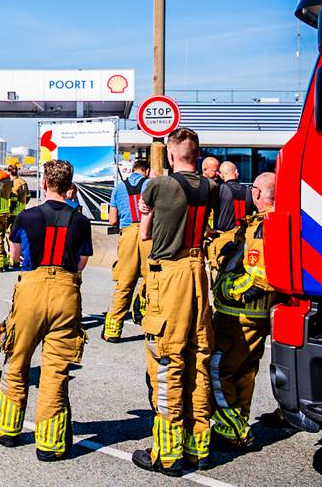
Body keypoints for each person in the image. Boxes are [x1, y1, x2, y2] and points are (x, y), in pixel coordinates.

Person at [0, 159, 92, 462]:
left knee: (17, 360)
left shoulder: (27, 216)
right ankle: (50, 444)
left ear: (44, 183)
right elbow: (82, 261)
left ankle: (7, 429)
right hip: (66, 292)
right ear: (70, 187)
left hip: (31, 289)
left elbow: (16, 253)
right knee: (56, 371)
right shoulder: (81, 221)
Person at [133, 127, 220, 475]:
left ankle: (167, 454)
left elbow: (144, 232)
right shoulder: (210, 187)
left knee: (168, 360)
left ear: (171, 155)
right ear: (197, 155)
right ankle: (198, 446)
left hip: (169, 276)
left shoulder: (158, 185)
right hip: (199, 271)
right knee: (199, 356)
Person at [206, 172, 277, 452]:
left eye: (252, 189)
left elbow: (260, 277)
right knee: (245, 371)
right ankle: (237, 423)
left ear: (258, 193)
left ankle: (233, 430)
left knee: (218, 371)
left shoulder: (263, 227)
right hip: (257, 317)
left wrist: (227, 288)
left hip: (239, 315)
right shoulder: (274, 221)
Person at [102, 158, 150, 343]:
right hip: (148, 235)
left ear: (132, 169)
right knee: (151, 279)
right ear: (146, 170)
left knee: (125, 282)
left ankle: (113, 329)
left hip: (128, 235)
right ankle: (148, 323)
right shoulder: (151, 185)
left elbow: (112, 221)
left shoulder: (119, 188)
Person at [212, 161, 254, 232]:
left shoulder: (219, 189)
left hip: (223, 236)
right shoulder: (249, 191)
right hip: (245, 235)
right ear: (236, 172)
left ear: (221, 175)